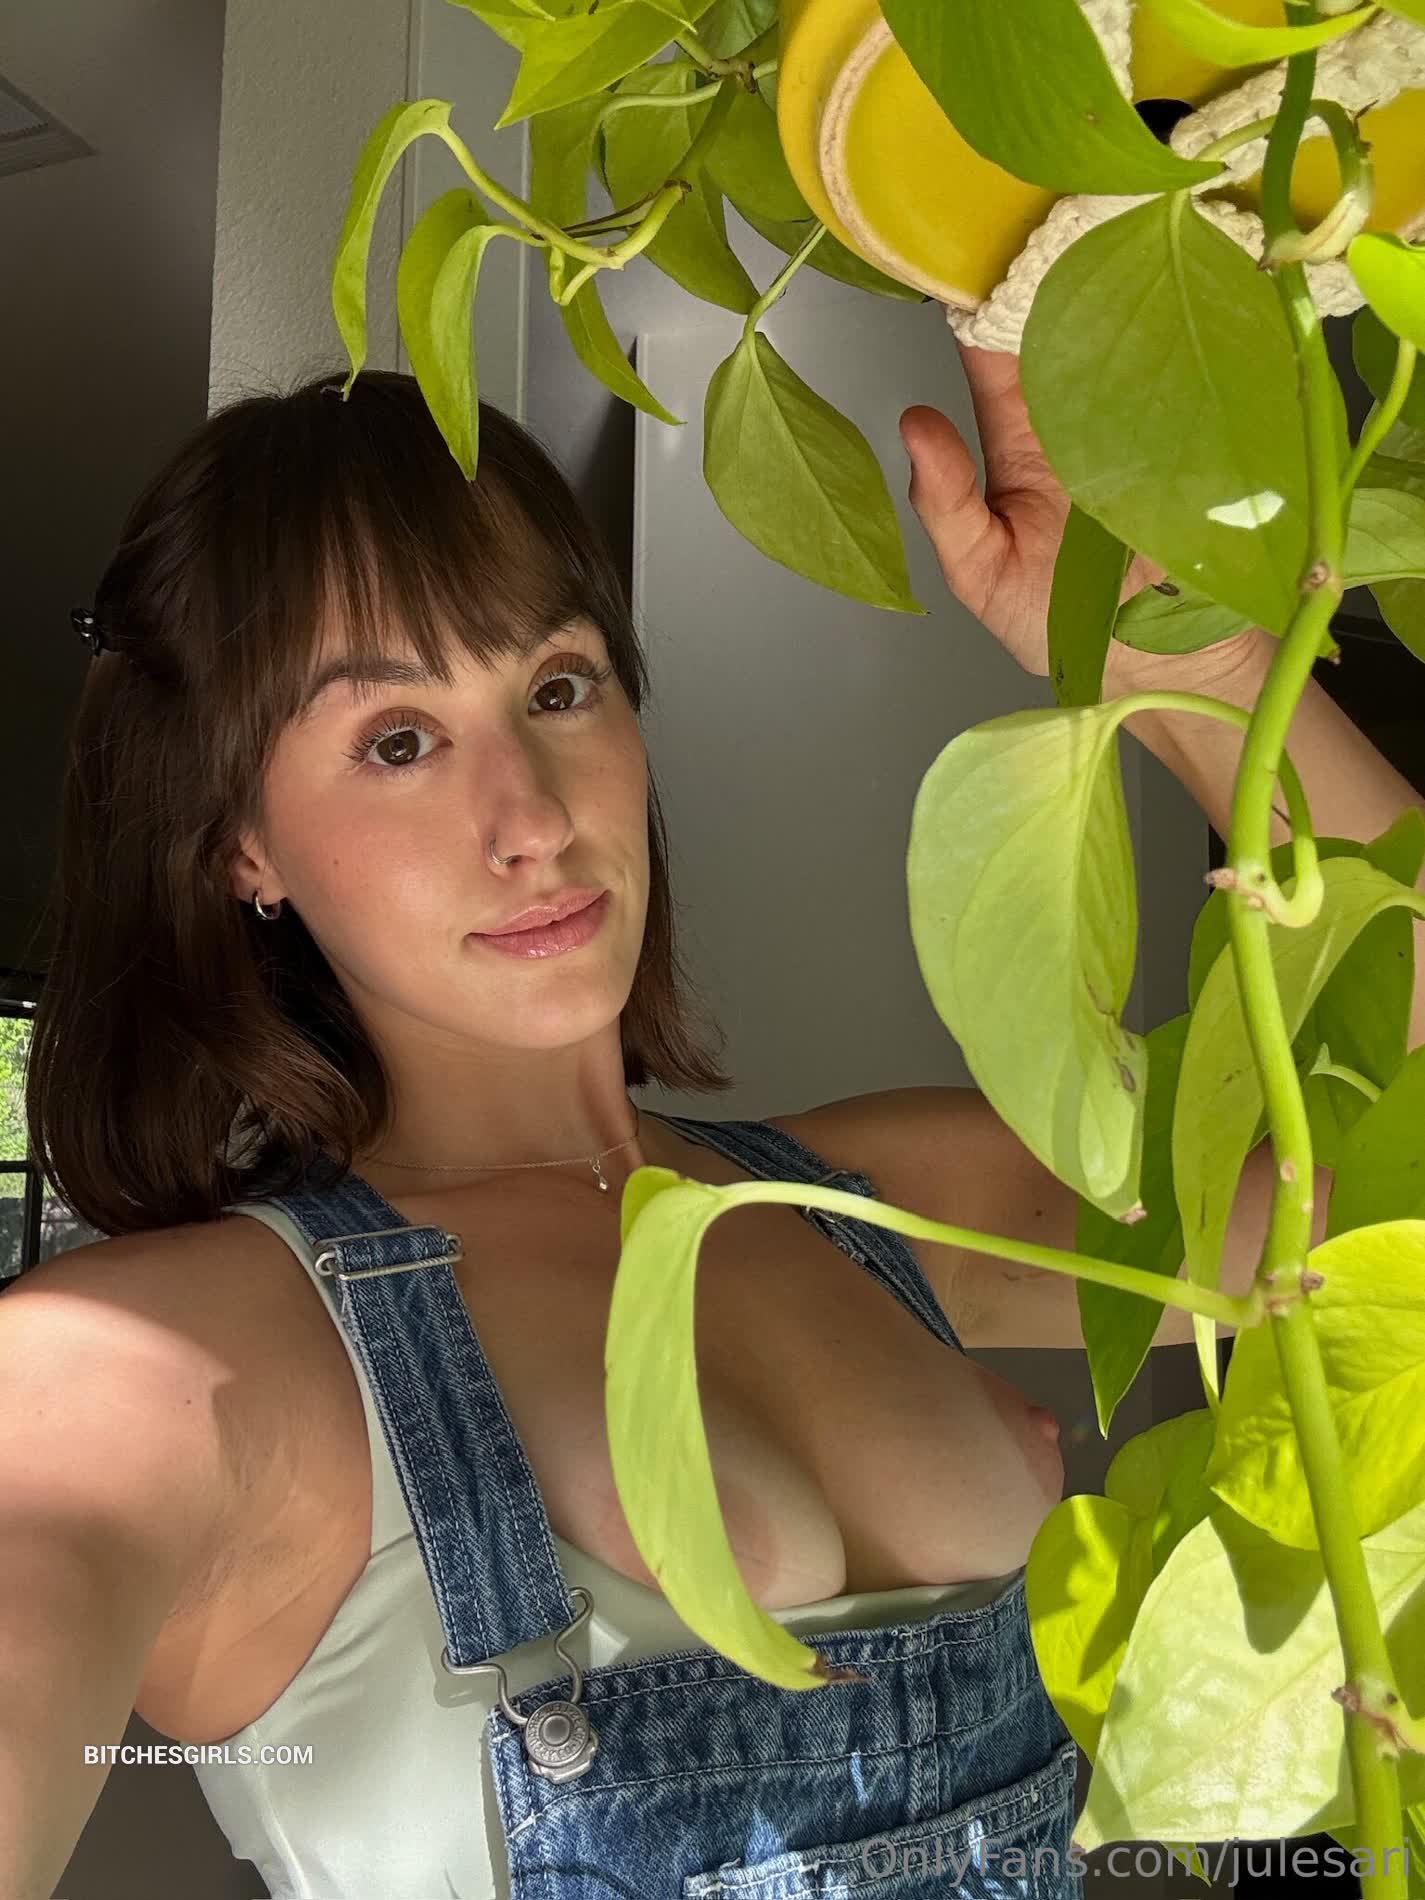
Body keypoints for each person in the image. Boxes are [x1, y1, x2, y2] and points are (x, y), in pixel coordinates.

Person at [7, 343, 1419, 1899]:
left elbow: (1394, 1200)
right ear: (243, 847)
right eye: (397, 741)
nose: (533, 818)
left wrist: (1190, 672)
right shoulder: (144, 1366)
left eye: (558, 688)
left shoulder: (874, 1203)